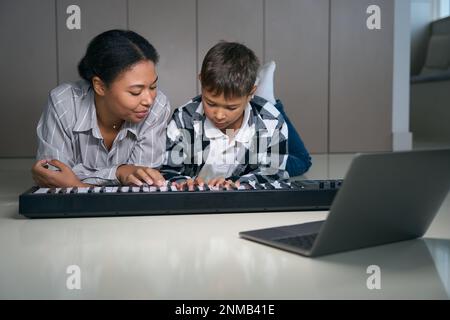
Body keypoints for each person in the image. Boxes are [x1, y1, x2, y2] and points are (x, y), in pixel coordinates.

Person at [31, 29, 171, 188]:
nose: (149, 100)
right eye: (135, 92)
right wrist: (119, 172)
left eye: (153, 86)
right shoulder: (63, 103)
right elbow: (53, 175)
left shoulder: (158, 106)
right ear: (100, 86)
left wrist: (77, 185)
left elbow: (141, 185)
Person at [162, 41, 310, 189]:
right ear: (201, 81)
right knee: (298, 162)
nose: (219, 115)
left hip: (248, 170)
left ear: (251, 93)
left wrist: (239, 184)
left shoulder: (271, 121)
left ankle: (267, 100)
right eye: (211, 103)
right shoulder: (183, 119)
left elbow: (272, 172)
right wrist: (183, 182)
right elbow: (168, 170)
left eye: (231, 107)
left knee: (301, 161)